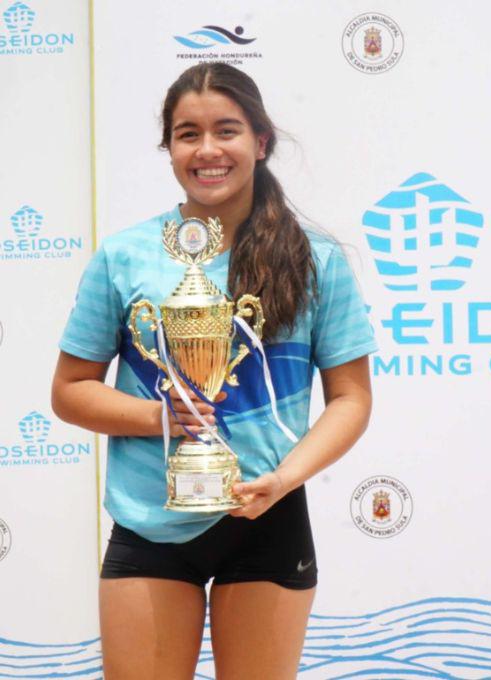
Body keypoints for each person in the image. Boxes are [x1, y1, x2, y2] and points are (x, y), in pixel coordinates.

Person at [51, 63, 376, 679]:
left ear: (261, 140)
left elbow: (351, 400)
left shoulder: (317, 260)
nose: (207, 150)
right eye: (186, 133)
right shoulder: (125, 256)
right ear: (168, 148)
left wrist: (284, 480)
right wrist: (160, 416)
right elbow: (70, 392)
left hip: (266, 517)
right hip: (150, 520)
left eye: (225, 130)